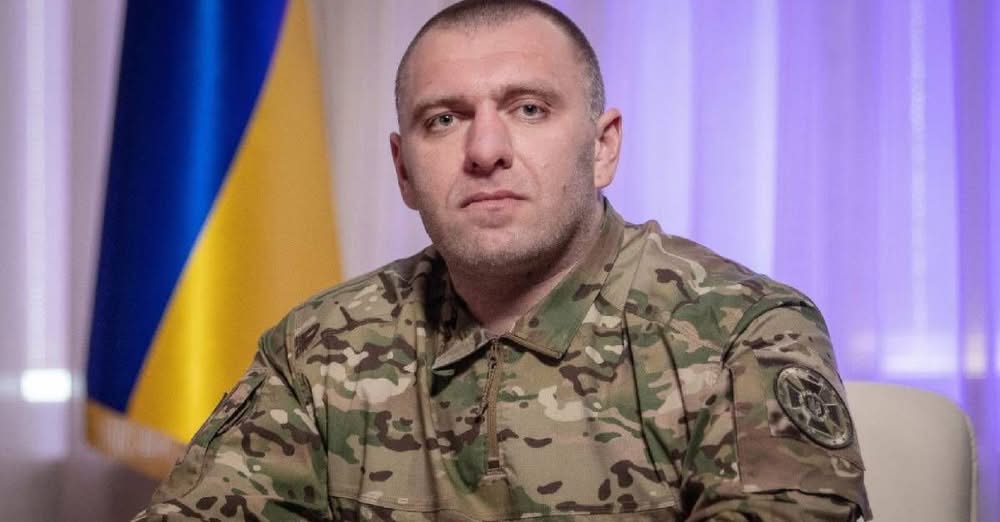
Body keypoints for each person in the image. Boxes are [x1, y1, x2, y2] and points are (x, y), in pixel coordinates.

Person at [134, 0, 871, 520]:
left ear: (603, 146)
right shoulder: (320, 349)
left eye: (528, 108)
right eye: (444, 119)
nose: (486, 150)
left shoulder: (741, 332)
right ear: (403, 169)